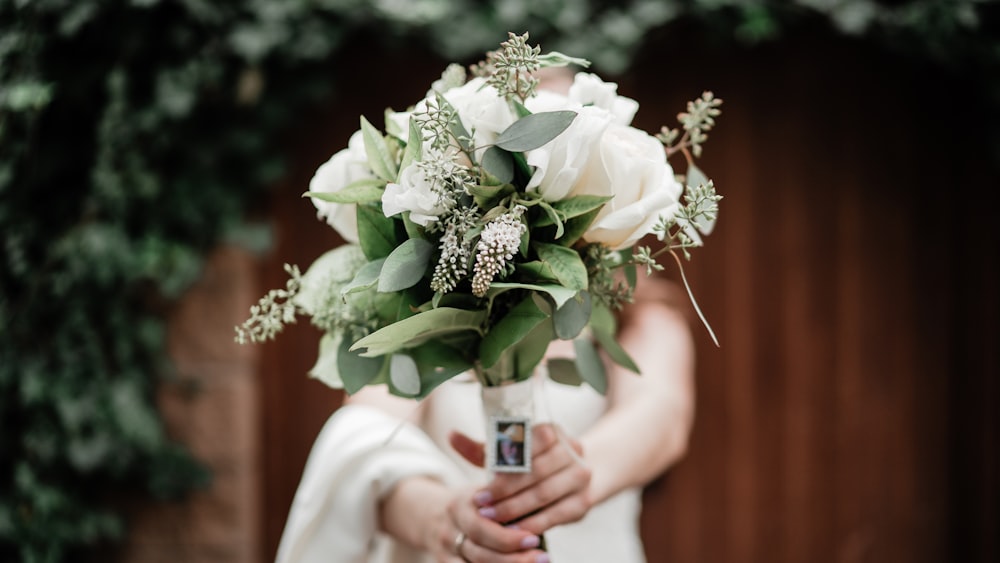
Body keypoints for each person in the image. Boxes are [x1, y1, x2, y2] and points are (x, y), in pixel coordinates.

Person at [274, 275, 696, 563]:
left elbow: (660, 415)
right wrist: (446, 520)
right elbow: (370, 438)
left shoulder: (640, 317)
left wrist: (580, 467)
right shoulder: (421, 313)